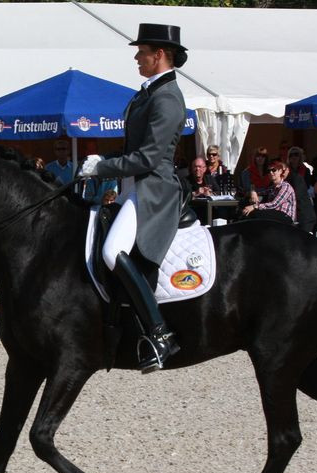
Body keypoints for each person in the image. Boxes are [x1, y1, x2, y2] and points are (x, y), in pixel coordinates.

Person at [78, 22, 187, 371]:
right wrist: (108, 169)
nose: (137, 58)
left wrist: (102, 167)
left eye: (141, 53)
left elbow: (150, 157)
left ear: (159, 55)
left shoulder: (167, 97)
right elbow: (132, 148)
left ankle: (160, 333)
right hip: (133, 186)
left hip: (154, 189)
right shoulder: (149, 93)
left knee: (112, 251)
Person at [242, 159, 296, 225]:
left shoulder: (285, 186)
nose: (271, 172)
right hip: (274, 214)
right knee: (247, 212)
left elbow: (274, 204)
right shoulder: (273, 188)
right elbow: (260, 192)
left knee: (255, 213)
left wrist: (254, 206)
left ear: (280, 171)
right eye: (269, 171)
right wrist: (253, 192)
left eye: (274, 170)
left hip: (286, 217)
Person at [286, 147, 316, 232]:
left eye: (296, 154)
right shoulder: (286, 171)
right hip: (290, 203)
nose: (294, 157)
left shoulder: (306, 170)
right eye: (291, 155)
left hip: (303, 203)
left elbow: (307, 185)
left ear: (300, 157)